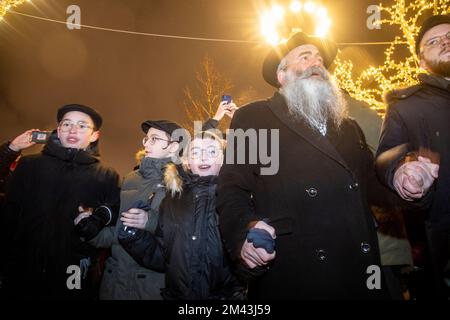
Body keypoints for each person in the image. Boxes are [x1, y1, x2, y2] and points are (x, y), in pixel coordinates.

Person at [216, 32, 392, 299]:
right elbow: (232, 188)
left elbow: (373, 184)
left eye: (319, 59)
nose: (316, 63)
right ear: (282, 75)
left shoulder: (349, 127)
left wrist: (402, 174)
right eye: (305, 56)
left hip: (356, 266)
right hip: (294, 265)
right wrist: (244, 231)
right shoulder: (254, 117)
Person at [1, 104, 121, 299]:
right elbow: (8, 212)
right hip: (22, 269)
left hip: (73, 271)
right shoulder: (29, 165)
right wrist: (12, 148)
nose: (73, 130)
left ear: (94, 136)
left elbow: (114, 211)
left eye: (82, 126)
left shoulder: (107, 175)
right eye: (67, 124)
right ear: (58, 130)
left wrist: (97, 220)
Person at [375, 14, 450, 299]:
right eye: (434, 41)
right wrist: (404, 170)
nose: (445, 42)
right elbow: (385, 155)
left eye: (449, 37)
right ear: (421, 60)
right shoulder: (405, 106)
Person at [119, 131, 244, 300]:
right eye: (195, 152)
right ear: (187, 162)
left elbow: (246, 260)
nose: (203, 157)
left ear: (223, 160)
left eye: (212, 151)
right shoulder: (172, 200)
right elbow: (164, 258)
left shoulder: (237, 199)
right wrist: (134, 237)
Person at [76, 120, 184, 300]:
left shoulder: (182, 182)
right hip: (114, 282)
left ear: (173, 147)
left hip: (151, 286)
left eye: (154, 139)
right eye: (146, 139)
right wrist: (91, 232)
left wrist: (149, 221)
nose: (147, 143)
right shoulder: (131, 178)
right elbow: (119, 231)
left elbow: (185, 235)